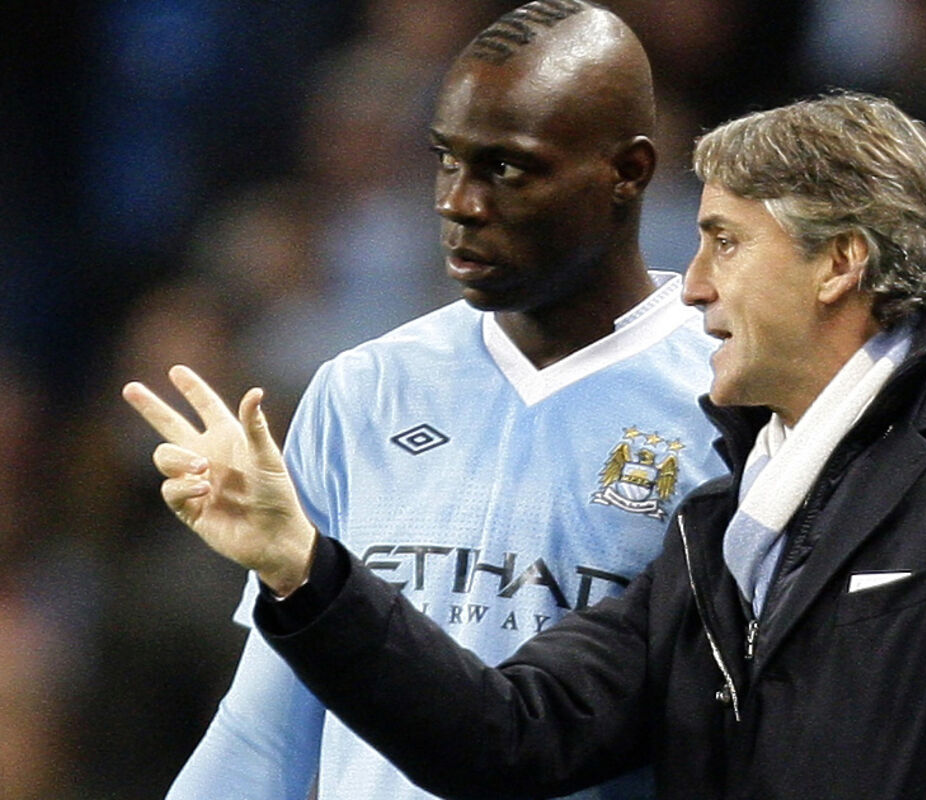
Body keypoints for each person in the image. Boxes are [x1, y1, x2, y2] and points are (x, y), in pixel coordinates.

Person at [125, 91, 926, 798]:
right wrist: (303, 567)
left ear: (840, 263)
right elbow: (505, 731)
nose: (694, 286)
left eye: (726, 242)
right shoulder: (715, 532)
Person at [124, 2, 727, 798]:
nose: (458, 202)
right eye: (447, 160)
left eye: (507, 169)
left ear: (629, 172)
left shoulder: (726, 401)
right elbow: (270, 728)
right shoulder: (363, 390)